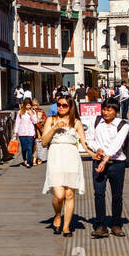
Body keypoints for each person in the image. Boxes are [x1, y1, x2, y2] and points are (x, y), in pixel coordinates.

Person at [41, 95, 89, 237]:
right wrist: (55, 128)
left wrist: (93, 153)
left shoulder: (77, 122)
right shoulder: (51, 120)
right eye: (59, 105)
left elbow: (84, 143)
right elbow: (44, 142)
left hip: (71, 157)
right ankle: (57, 215)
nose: (61, 107)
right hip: (56, 156)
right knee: (59, 195)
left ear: (70, 106)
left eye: (64, 105)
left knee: (69, 194)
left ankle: (66, 226)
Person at [88, 98, 129, 238]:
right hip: (99, 161)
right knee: (99, 193)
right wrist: (97, 149)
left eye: (109, 110)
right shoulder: (96, 121)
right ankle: (101, 225)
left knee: (117, 195)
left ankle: (116, 224)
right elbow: (89, 139)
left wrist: (105, 159)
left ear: (116, 111)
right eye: (104, 109)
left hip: (116, 163)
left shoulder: (123, 125)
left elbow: (116, 145)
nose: (105, 112)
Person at [13, 99, 38, 169]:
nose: (28, 106)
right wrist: (15, 132)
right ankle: (25, 159)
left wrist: (31, 115)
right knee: (24, 148)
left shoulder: (33, 112)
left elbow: (35, 121)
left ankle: (29, 162)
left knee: (30, 148)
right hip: (22, 133)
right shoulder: (20, 112)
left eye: (29, 105)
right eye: (27, 105)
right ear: (24, 105)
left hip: (30, 133)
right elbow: (17, 122)